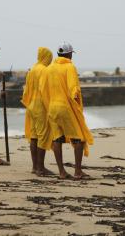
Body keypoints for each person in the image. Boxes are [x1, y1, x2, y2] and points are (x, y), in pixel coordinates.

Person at [40, 42, 94, 179]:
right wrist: (77, 109)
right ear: (69, 54)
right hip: (66, 107)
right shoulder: (70, 67)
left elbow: (42, 89)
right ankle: (77, 171)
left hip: (52, 107)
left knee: (57, 139)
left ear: (58, 54)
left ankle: (62, 172)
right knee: (79, 139)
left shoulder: (49, 68)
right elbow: (74, 90)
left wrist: (48, 105)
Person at [21, 47, 54, 176]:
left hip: (31, 105)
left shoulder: (33, 69)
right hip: (41, 106)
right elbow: (45, 89)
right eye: (50, 58)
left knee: (33, 136)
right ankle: (41, 168)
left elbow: (26, 90)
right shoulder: (44, 70)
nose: (50, 60)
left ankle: (35, 167)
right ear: (46, 57)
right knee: (43, 136)